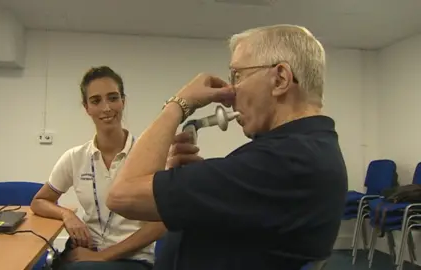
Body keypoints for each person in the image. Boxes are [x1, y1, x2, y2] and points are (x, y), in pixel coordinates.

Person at [105, 24, 348, 270]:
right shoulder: (306, 150)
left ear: (280, 79)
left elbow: (121, 195)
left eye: (237, 75)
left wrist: (178, 104)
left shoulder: (285, 160)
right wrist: (195, 188)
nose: (230, 93)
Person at [30, 66, 166, 270]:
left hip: (132, 258)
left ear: (123, 101)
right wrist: (68, 215)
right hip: (85, 250)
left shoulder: (149, 156)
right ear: (87, 108)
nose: (106, 108)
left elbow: (162, 223)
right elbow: (39, 201)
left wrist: (103, 257)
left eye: (113, 98)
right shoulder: (75, 157)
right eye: (96, 101)